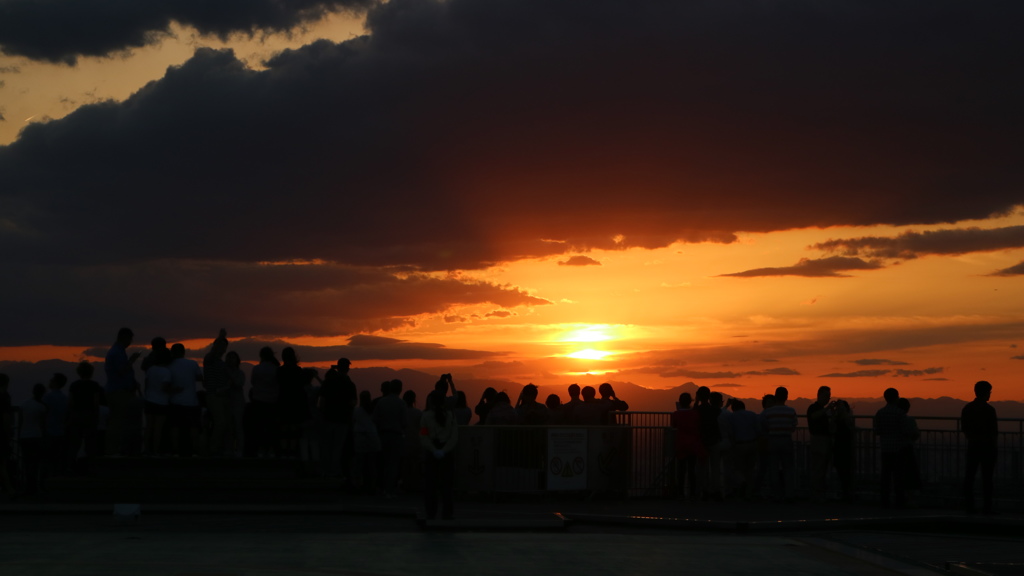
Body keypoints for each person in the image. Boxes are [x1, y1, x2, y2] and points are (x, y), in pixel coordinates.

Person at [420, 390, 459, 520]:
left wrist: (433, 449)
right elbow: (454, 437)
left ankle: (431, 512)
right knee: (447, 486)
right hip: (447, 454)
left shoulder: (425, 417)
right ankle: (447, 513)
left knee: (431, 485)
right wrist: (445, 450)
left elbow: (423, 436)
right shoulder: (451, 416)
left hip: (432, 453)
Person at [962, 380, 998, 514]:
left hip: (973, 446)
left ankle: (969, 506)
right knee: (987, 479)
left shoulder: (968, 408)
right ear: (986, 393)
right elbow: (994, 432)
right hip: (988, 448)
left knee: (970, 476)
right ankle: (987, 507)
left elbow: (964, 428)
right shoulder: (989, 410)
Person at [104, 327, 140, 456]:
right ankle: (113, 451)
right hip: (119, 392)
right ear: (124, 337)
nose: (130, 342)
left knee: (117, 421)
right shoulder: (117, 352)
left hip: (118, 390)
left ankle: (114, 450)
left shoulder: (117, 351)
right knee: (118, 422)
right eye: (130, 339)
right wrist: (131, 360)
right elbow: (121, 371)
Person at [319, 358, 357, 478]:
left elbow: (322, 400)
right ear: (347, 368)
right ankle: (335, 470)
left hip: (328, 417)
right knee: (338, 447)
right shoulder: (349, 384)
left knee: (327, 445)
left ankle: (325, 470)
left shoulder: (328, 381)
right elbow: (353, 402)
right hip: (342, 419)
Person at [761, 386, 797, 501]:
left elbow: (765, 426)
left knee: (773, 468)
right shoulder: (791, 411)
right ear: (786, 397)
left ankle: (776, 494)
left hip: (773, 440)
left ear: (775, 396)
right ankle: (789, 494)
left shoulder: (768, 412)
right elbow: (793, 426)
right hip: (786, 440)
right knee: (788, 468)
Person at [873, 387, 908, 508]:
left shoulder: (880, 413)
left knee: (885, 476)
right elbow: (905, 430)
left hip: (885, 448)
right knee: (898, 476)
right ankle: (899, 501)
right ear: (896, 398)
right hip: (898, 449)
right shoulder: (900, 413)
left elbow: (877, 431)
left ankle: (885, 500)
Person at [168, 343, 203, 457]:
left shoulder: (169, 365)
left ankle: (175, 451)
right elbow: (199, 378)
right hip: (191, 401)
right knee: (193, 427)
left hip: (175, 401)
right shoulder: (192, 363)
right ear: (184, 352)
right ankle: (195, 450)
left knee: (175, 427)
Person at [372, 379, 406, 497]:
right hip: (396, 435)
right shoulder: (401, 403)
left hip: (382, 434)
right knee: (393, 463)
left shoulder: (381, 402)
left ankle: (380, 488)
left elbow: (375, 419)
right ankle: (390, 489)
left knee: (381, 462)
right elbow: (404, 422)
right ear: (400, 389)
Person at [66, 361, 102, 472]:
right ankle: (91, 467)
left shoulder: (74, 385)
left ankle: (71, 467)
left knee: (75, 442)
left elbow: (71, 402)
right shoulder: (94, 385)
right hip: (90, 415)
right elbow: (96, 402)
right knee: (90, 442)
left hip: (76, 415)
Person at [276, 347, 311, 458]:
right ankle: (292, 451)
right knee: (294, 429)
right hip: (296, 403)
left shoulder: (280, 371)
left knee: (284, 429)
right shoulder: (298, 371)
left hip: (283, 402)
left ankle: (284, 451)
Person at [202, 329, 232, 457]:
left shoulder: (220, 363)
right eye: (221, 346)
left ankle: (217, 448)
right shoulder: (210, 359)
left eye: (224, 347)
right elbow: (213, 352)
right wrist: (220, 338)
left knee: (221, 423)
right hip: (214, 395)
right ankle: (213, 449)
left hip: (221, 396)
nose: (222, 349)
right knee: (220, 423)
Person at [247, 346, 280, 457]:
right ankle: (271, 449)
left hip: (258, 401)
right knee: (271, 427)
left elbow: (253, 382)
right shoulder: (276, 369)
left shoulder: (257, 369)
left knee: (259, 427)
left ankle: (260, 449)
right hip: (272, 401)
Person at [670, 392, 704, 500]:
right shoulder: (695, 414)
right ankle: (693, 492)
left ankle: (680, 492)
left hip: (681, 444)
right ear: (690, 402)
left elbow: (674, 425)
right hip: (693, 444)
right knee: (692, 469)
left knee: (681, 470)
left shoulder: (676, 414)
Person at [142, 347, 173, 456]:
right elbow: (165, 388)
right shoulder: (166, 372)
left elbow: (146, 384)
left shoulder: (151, 369)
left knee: (149, 426)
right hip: (162, 402)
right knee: (158, 428)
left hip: (149, 400)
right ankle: (155, 450)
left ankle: (146, 449)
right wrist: (175, 390)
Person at [18, 384, 47, 497]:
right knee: (35, 464)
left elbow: (20, 422)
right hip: (36, 437)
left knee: (26, 463)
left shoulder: (24, 404)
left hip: (24, 437)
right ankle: (35, 487)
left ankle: (27, 487)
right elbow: (43, 425)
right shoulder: (42, 407)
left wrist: (20, 435)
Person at [728, 399, 760, 500]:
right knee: (750, 469)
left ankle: (741, 483)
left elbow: (730, 432)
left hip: (739, 444)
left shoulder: (731, 417)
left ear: (733, 408)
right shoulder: (753, 415)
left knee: (736, 468)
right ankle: (749, 493)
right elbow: (758, 429)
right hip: (752, 443)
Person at [806, 386, 834, 502]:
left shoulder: (822, 409)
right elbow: (813, 416)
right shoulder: (813, 408)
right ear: (819, 395)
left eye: (828, 396)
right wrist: (828, 409)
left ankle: (819, 492)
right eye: (826, 396)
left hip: (824, 440)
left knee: (822, 467)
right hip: (818, 440)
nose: (827, 399)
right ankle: (816, 493)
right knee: (818, 467)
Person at [352, 390, 380, 493]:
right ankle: (372, 485)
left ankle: (358, 484)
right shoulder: (373, 411)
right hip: (373, 437)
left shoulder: (356, 411)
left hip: (360, 437)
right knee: (372, 464)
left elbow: (353, 422)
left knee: (359, 463)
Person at [42, 373, 69, 475]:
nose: (50, 381)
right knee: (58, 459)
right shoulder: (65, 398)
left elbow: (43, 413)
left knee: (47, 459)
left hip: (48, 432)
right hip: (61, 432)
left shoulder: (47, 397)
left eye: (52, 380)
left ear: (55, 383)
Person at [831, 399, 857, 502]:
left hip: (843, 447)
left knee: (845, 471)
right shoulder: (840, 419)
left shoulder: (845, 419)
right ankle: (846, 493)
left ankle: (846, 493)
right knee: (843, 471)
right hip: (841, 447)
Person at [225, 351, 246, 457]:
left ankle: (239, 450)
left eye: (233, 358)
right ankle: (229, 449)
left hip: (238, 402)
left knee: (238, 427)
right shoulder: (223, 373)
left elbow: (239, 383)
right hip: (227, 402)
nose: (231, 360)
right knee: (229, 428)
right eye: (229, 358)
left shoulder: (240, 373)